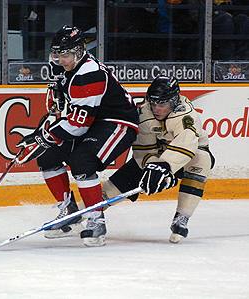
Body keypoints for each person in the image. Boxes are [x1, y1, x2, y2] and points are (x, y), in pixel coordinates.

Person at [15, 25, 139, 247]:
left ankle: (96, 220)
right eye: (57, 54)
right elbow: (64, 107)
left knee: (82, 161)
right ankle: (70, 214)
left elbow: (78, 125)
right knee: (48, 157)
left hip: (119, 123)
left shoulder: (88, 75)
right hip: (93, 121)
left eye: (66, 54)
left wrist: (42, 137)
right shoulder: (62, 65)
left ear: (80, 52)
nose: (61, 59)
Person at [101, 76, 215, 243]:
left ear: (174, 101)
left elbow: (186, 145)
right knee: (120, 182)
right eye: (153, 103)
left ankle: (182, 217)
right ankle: (81, 213)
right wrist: (153, 167)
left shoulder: (185, 114)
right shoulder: (144, 114)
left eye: (162, 104)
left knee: (202, 160)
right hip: (158, 158)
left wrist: (165, 168)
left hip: (186, 158)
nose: (157, 109)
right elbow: (143, 150)